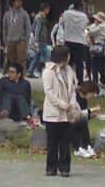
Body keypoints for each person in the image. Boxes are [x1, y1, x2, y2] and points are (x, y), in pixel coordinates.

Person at [42, 44, 80, 178]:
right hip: (53, 113)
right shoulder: (48, 71)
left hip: (67, 112)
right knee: (52, 142)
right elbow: (49, 93)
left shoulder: (70, 70)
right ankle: (51, 168)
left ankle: (65, 168)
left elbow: (73, 89)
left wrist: (72, 103)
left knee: (65, 141)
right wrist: (63, 104)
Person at [59, 4, 89, 83]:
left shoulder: (66, 13)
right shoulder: (84, 16)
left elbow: (61, 23)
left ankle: (66, 79)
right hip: (79, 41)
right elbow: (85, 26)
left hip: (68, 40)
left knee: (68, 61)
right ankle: (80, 80)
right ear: (80, 7)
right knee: (79, 63)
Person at [71, 80, 101, 159]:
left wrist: (92, 116)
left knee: (83, 122)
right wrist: (92, 109)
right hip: (69, 119)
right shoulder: (74, 97)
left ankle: (87, 146)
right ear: (88, 91)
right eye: (93, 93)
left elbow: (83, 115)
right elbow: (77, 113)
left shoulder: (84, 100)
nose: (92, 96)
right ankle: (78, 148)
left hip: (78, 120)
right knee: (80, 122)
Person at [2, 0, 31, 70]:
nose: (19, 3)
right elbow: (4, 28)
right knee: (12, 61)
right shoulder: (7, 14)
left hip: (21, 40)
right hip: (10, 40)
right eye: (17, 1)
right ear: (13, 2)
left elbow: (28, 29)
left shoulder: (25, 14)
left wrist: (26, 41)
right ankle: (12, 78)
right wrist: (5, 41)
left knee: (21, 60)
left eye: (20, 1)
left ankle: (21, 78)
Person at [86, 12, 105, 89]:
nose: (95, 20)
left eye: (96, 19)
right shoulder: (102, 26)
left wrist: (87, 29)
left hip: (98, 46)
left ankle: (98, 83)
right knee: (99, 66)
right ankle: (101, 82)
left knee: (95, 66)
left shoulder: (102, 26)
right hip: (98, 46)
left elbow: (90, 32)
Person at [28, 3, 51, 78]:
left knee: (37, 56)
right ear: (45, 9)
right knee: (47, 56)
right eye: (48, 9)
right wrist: (36, 41)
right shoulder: (39, 17)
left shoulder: (41, 17)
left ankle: (30, 71)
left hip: (41, 39)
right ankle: (49, 72)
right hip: (41, 40)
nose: (49, 10)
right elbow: (37, 30)